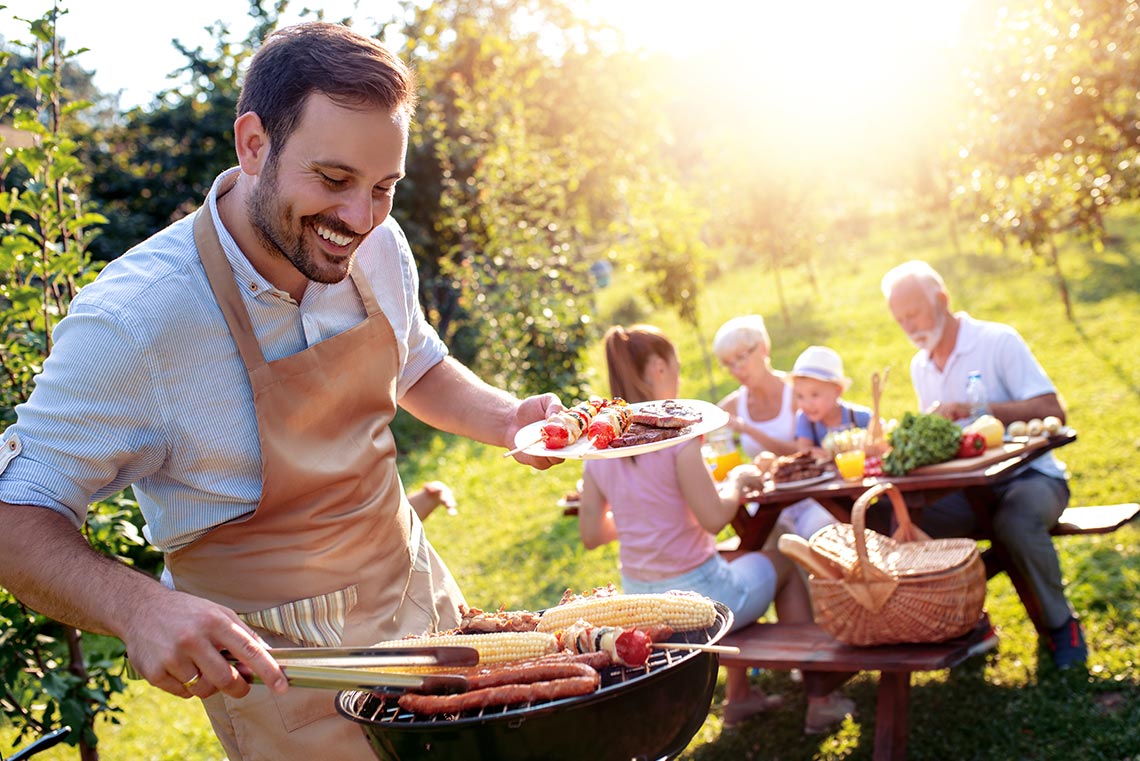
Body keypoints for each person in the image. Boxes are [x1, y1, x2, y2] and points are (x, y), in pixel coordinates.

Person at [0, 22, 562, 760]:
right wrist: (140, 605)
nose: (359, 219)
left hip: (429, 620)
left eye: (383, 188)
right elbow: (15, 513)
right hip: (290, 689)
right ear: (254, 144)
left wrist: (506, 416)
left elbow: (415, 361)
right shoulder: (136, 320)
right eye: (332, 181)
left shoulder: (376, 245)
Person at [578, 324, 855, 733]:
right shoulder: (677, 438)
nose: (678, 377)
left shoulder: (598, 448)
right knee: (781, 560)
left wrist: (646, 518)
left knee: (743, 557)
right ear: (657, 368)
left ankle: (740, 699)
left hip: (639, 602)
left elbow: (592, 534)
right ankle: (820, 699)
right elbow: (713, 517)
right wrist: (740, 483)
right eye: (675, 367)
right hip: (703, 598)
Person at [880, 259, 1086, 670]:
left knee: (1014, 523)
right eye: (900, 319)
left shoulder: (997, 340)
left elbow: (1052, 409)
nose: (909, 326)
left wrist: (978, 409)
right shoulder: (921, 365)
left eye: (914, 313)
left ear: (942, 300)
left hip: (1031, 479)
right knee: (902, 527)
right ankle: (964, 627)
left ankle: (1063, 626)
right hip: (970, 489)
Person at [713, 316, 835, 542]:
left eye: (741, 358)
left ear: (763, 348)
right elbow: (710, 439)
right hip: (769, 503)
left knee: (820, 536)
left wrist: (748, 429)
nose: (736, 370)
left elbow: (806, 451)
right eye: (728, 364)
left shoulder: (797, 393)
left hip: (813, 496)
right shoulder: (732, 405)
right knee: (768, 541)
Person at [788, 345, 873, 459]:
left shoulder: (861, 417)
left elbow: (882, 440)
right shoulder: (805, 419)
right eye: (800, 396)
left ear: (837, 391)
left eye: (815, 395)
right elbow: (803, 449)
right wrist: (812, 453)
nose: (807, 404)